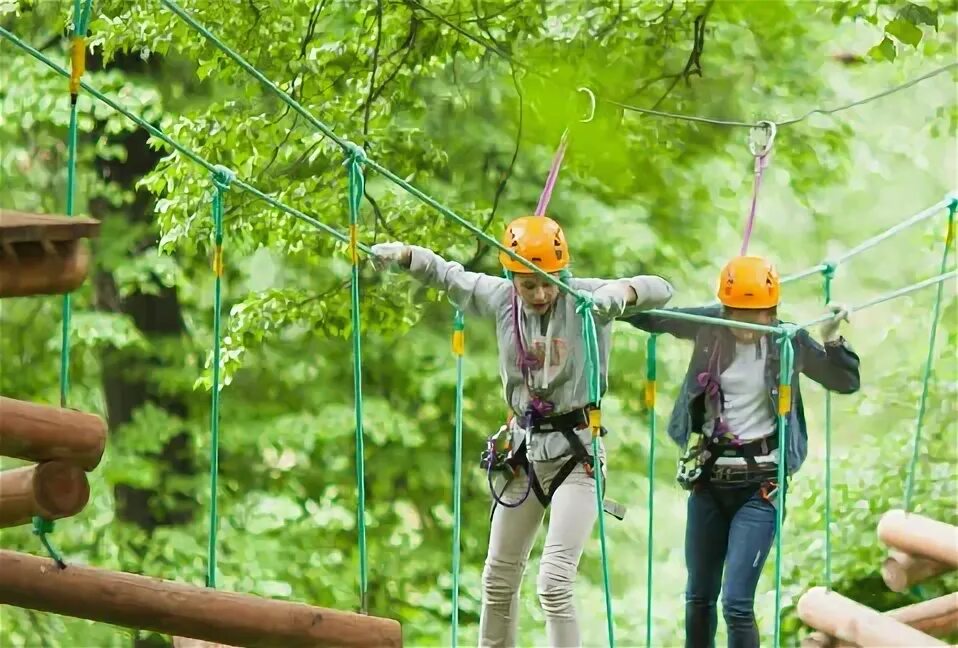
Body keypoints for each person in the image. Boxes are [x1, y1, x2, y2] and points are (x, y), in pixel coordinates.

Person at [370, 215, 674, 647]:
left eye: (548, 282)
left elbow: (661, 287)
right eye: (528, 284)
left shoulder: (583, 298)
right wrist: (405, 256)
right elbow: (450, 277)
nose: (540, 294)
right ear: (512, 277)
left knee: (553, 582)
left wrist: (619, 294)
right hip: (525, 451)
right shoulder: (500, 300)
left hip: (578, 457)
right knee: (498, 577)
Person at [619, 255, 860, 648]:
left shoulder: (788, 341)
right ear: (725, 307)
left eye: (759, 314)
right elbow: (656, 319)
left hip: (760, 488)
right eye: (738, 312)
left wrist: (831, 339)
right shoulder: (712, 326)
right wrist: (604, 300)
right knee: (698, 596)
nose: (748, 324)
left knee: (735, 603)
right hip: (709, 481)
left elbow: (844, 381)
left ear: (773, 311)